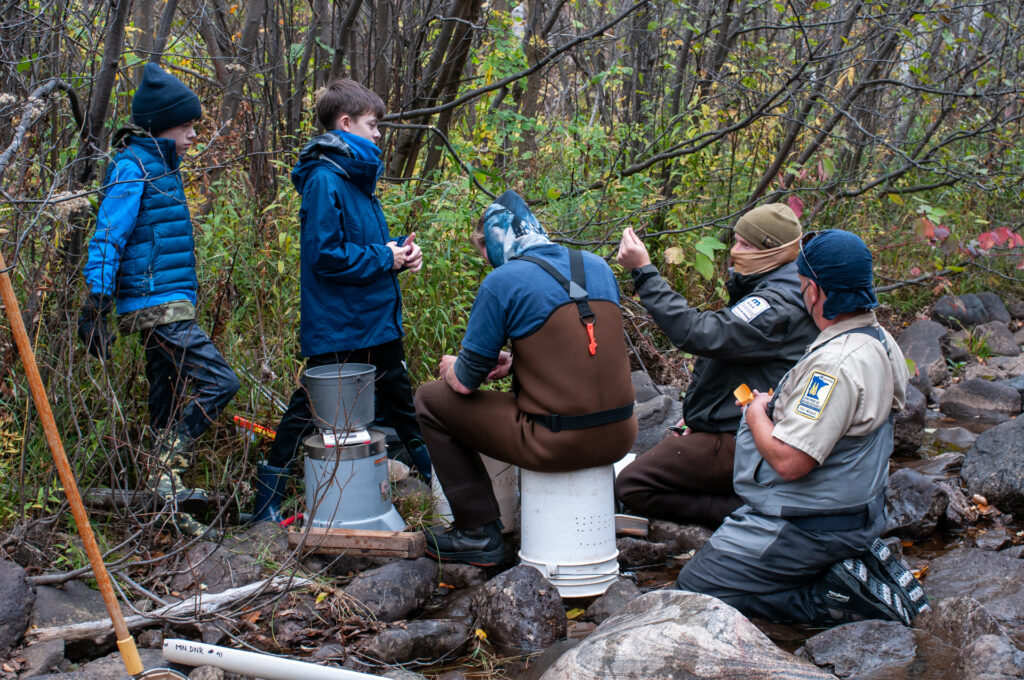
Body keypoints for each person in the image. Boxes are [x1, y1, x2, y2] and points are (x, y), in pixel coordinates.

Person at [676, 229, 929, 626]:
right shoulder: (879, 339)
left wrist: (756, 412)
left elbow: (791, 463)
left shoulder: (836, 364)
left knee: (696, 587)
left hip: (809, 524)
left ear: (814, 291)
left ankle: (833, 598)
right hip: (856, 511)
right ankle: (845, 569)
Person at [414, 190, 637, 566]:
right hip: (620, 435)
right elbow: (591, 350)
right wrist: (518, 362)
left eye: (483, 251)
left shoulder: (503, 280)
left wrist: (452, 365)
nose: (486, 261)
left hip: (555, 442)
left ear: (497, 239)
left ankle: (476, 532)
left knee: (429, 399)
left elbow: (465, 383)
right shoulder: (595, 265)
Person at [252, 79, 430, 522]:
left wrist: (398, 254)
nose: (378, 133)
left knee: (403, 406)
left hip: (373, 319)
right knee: (310, 408)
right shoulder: (324, 178)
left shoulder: (355, 176)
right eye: (373, 124)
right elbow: (324, 255)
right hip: (339, 323)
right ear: (346, 123)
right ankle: (265, 504)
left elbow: (358, 246)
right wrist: (382, 257)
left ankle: (442, 491)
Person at [77, 63, 239, 538]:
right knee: (219, 382)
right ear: (159, 124)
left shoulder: (162, 167)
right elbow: (109, 236)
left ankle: (164, 510)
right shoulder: (134, 167)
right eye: (187, 125)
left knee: (164, 403)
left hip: (169, 300)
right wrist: (95, 307)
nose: (193, 135)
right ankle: (165, 463)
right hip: (156, 305)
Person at [614, 204, 818, 528]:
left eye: (745, 245)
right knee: (654, 461)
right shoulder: (776, 285)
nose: (735, 252)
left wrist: (644, 273)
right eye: (735, 241)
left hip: (751, 437)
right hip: (734, 423)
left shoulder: (776, 304)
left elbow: (700, 333)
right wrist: (699, 416)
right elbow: (732, 361)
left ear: (773, 250)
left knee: (631, 484)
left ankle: (748, 513)